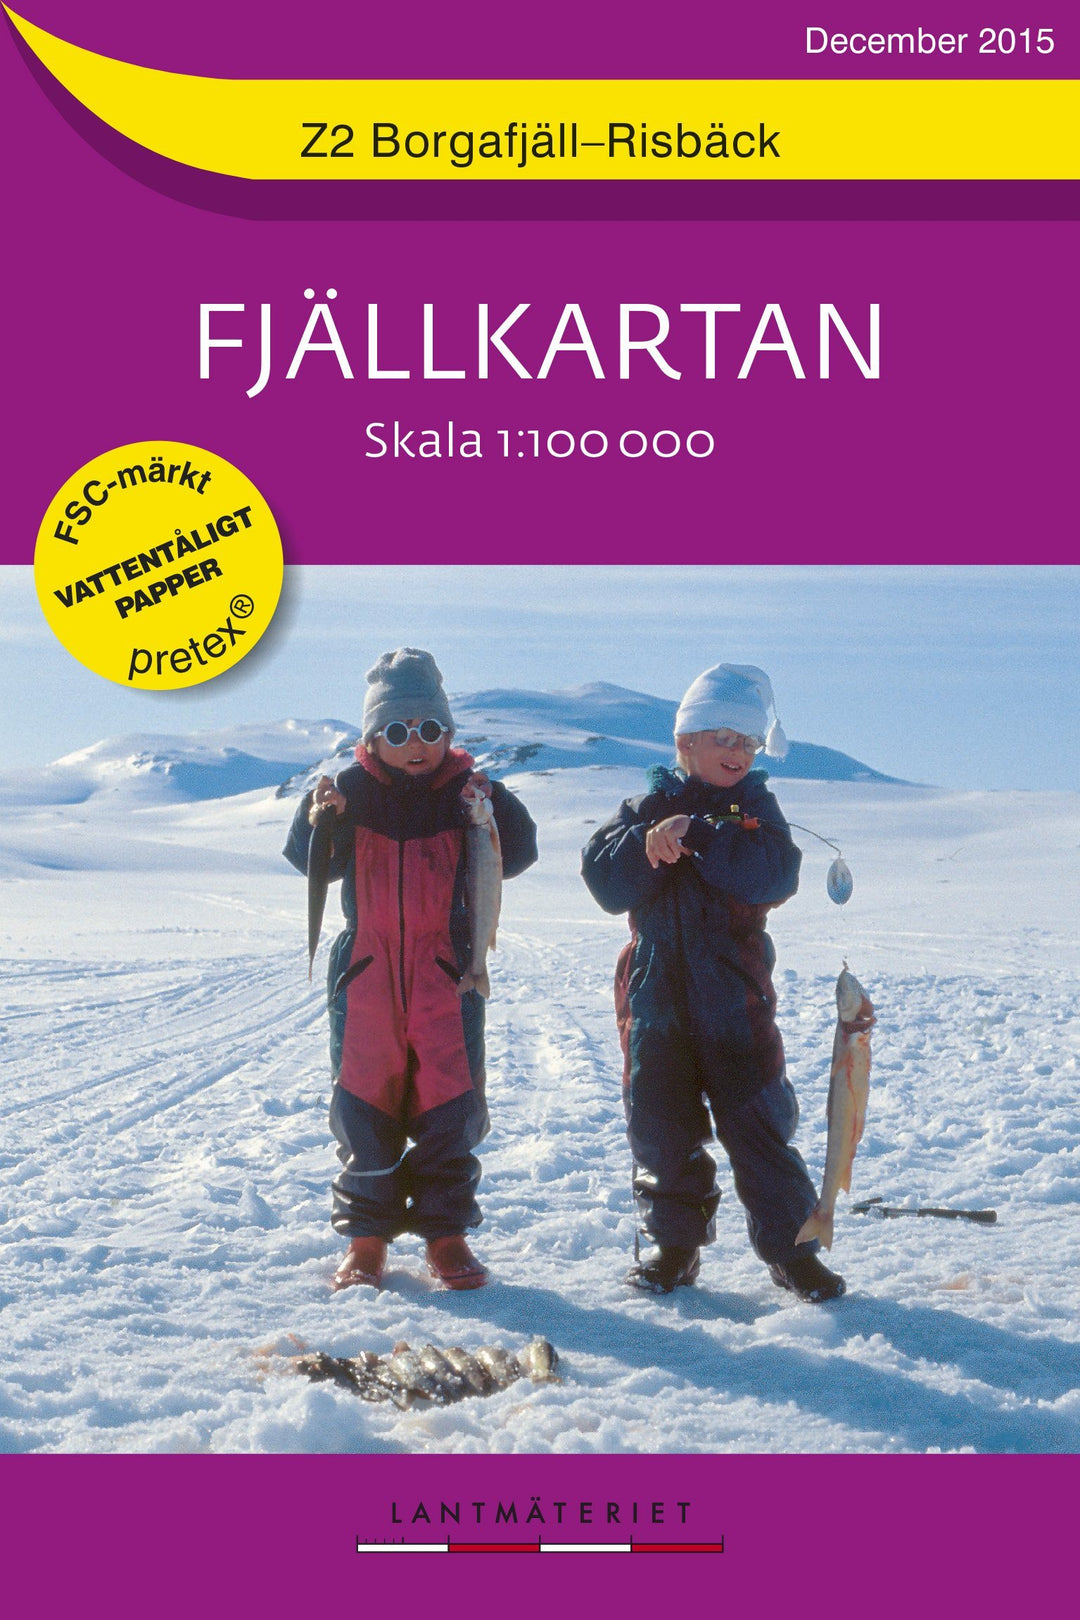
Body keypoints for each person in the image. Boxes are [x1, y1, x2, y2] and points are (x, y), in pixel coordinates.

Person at [581, 663, 845, 1304]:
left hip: (736, 1008)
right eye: (721, 737)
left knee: (759, 1131)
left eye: (748, 742)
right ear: (685, 743)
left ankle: (795, 1254)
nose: (736, 752)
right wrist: (645, 843)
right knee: (661, 1131)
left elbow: (774, 876)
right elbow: (603, 880)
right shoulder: (645, 809)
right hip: (654, 1010)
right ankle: (674, 1251)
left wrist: (701, 835)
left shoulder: (756, 811)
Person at [284, 648, 538, 1292]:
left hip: (447, 975)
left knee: (448, 1105)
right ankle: (366, 1243)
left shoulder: (466, 794)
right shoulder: (354, 792)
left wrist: (493, 802)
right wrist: (316, 815)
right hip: (366, 975)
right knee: (363, 1104)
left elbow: (520, 852)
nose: (415, 744)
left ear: (448, 734)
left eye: (429, 729)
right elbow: (304, 857)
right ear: (373, 739)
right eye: (396, 732)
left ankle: (446, 1238)